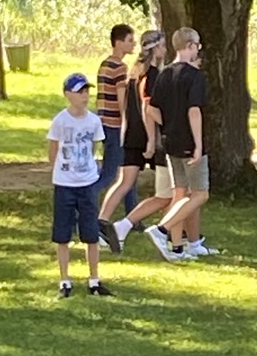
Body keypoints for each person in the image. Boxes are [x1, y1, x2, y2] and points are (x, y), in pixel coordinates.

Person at [98, 29, 170, 252]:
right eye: (163, 46)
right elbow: (147, 109)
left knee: (124, 181)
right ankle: (172, 231)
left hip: (130, 133)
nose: (165, 50)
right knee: (168, 189)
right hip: (145, 135)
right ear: (156, 49)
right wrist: (151, 140)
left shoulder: (134, 71)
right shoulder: (153, 74)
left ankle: (101, 223)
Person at [149, 27, 212, 261]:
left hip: (171, 141)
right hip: (188, 141)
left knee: (179, 192)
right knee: (200, 193)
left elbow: (152, 107)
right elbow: (194, 111)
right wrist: (197, 144)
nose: (198, 49)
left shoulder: (164, 74)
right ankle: (161, 229)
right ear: (189, 46)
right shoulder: (194, 76)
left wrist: (168, 123)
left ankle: (177, 247)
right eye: (197, 45)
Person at [47, 73, 111, 297]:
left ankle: (94, 279)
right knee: (62, 233)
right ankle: (64, 280)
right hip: (65, 184)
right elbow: (53, 149)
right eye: (79, 92)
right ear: (68, 95)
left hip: (87, 183)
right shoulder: (60, 120)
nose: (84, 96)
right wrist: (60, 170)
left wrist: (86, 170)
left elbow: (95, 147)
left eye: (87, 92)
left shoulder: (93, 121)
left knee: (91, 232)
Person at [95, 23, 138, 245]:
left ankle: (134, 215)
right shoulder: (120, 67)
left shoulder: (105, 64)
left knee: (128, 172)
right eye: (130, 40)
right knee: (110, 175)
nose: (133, 44)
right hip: (114, 125)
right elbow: (122, 99)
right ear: (119, 42)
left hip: (103, 123)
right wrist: (127, 123)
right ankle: (88, 214)